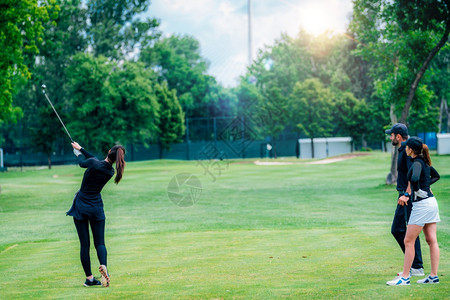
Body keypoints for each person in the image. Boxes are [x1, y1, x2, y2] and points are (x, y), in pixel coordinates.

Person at [67, 142, 126, 287]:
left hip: (81, 206)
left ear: (108, 151)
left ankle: (89, 278)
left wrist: (78, 154)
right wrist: (80, 148)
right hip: (96, 207)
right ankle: (103, 266)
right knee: (100, 243)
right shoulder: (110, 172)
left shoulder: (93, 163)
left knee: (84, 245)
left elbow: (83, 163)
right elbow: (94, 160)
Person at [387, 137, 440, 285]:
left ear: (411, 149)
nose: (405, 149)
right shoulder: (424, 161)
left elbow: (415, 177)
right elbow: (436, 176)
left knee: (408, 241)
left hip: (422, 205)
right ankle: (433, 276)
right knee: (431, 240)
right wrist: (425, 187)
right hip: (431, 203)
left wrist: (412, 192)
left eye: (407, 147)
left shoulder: (416, 162)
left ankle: (405, 277)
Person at [385, 123, 424, 276]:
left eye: (392, 135)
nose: (390, 137)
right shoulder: (403, 149)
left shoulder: (408, 150)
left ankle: (417, 266)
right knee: (400, 230)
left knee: (402, 230)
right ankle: (415, 265)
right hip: (403, 196)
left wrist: (407, 194)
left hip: (407, 197)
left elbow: (413, 173)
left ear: (398, 136)